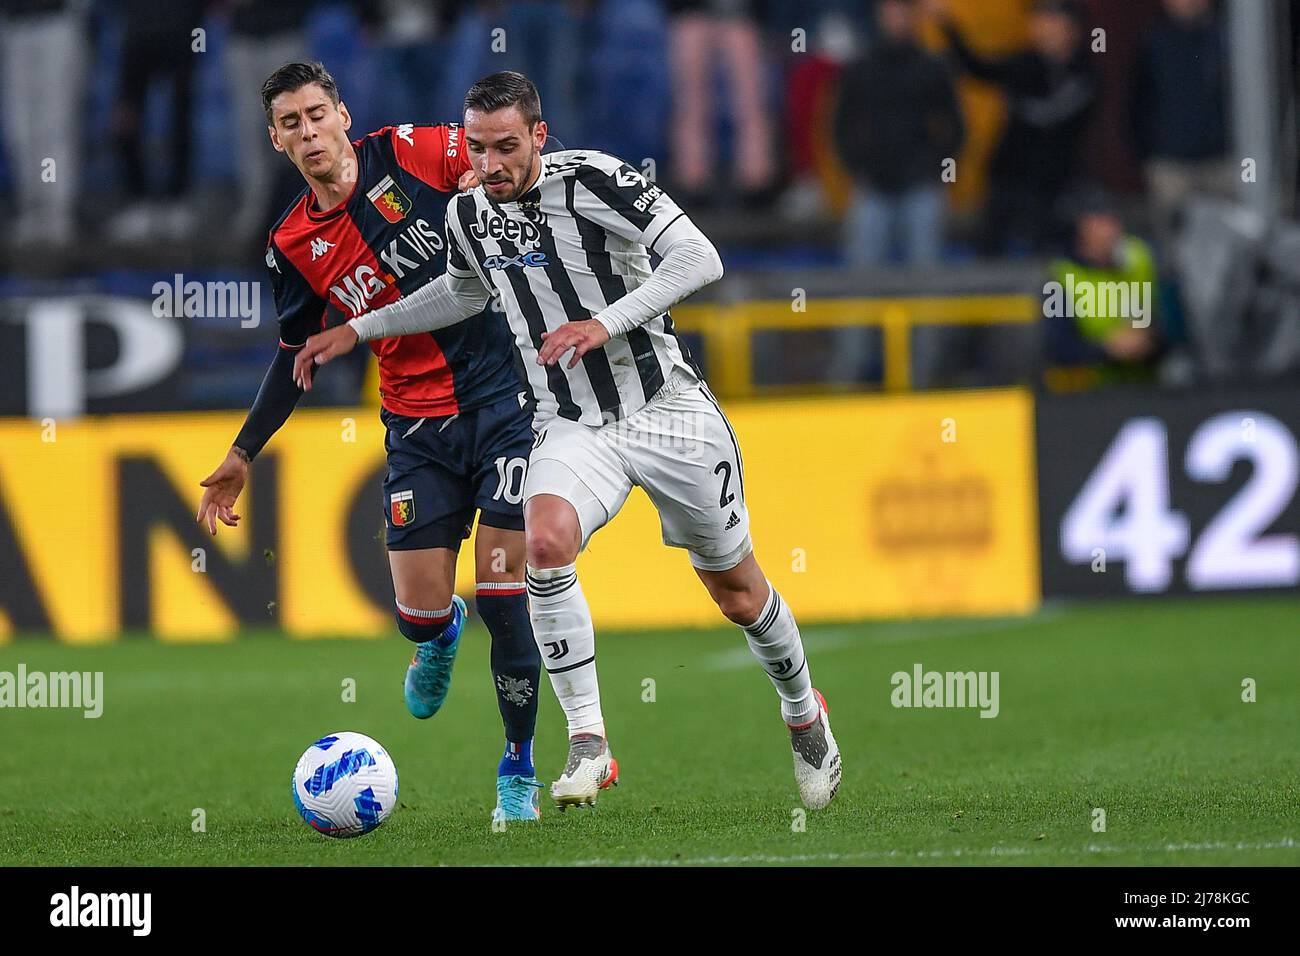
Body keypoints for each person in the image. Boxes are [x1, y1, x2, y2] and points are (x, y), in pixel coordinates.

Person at [294, 71, 842, 812]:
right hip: (569, 422)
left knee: (738, 591)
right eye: (479, 148)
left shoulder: (597, 180)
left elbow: (700, 260)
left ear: (539, 138)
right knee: (544, 546)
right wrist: (360, 327)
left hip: (666, 409)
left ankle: (804, 711)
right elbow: (460, 292)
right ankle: (589, 741)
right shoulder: (468, 214)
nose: (491, 165)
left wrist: (603, 323)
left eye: (508, 148)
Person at [194, 62, 544, 824]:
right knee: (416, 614)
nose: (308, 131)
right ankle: (437, 633)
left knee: (505, 595)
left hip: (506, 402)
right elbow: (298, 356)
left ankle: (517, 768)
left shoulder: (418, 150)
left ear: (342, 114)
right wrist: (243, 453)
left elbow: (509, 172)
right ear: (276, 141)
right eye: (291, 123)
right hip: (416, 425)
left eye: (317, 113)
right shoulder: (292, 243)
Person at [931, 0, 1096, 255]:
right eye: (1039, 22)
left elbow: (1052, 113)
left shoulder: (1085, 73)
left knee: (1047, 257)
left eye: (1052, 22)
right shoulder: (1025, 63)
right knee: (989, 253)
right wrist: (949, 27)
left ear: (1073, 29)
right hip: (1009, 177)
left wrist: (1022, 105)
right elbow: (978, 67)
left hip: (1055, 186)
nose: (1044, 30)